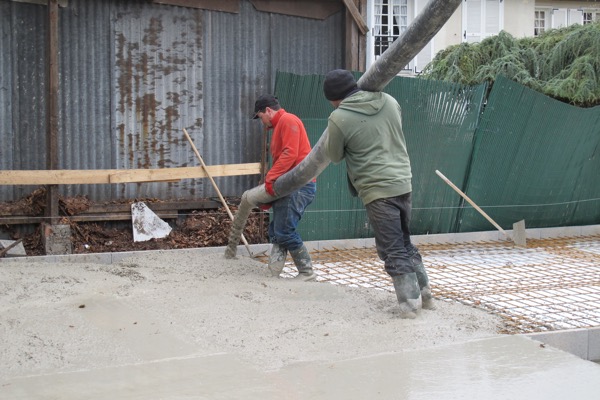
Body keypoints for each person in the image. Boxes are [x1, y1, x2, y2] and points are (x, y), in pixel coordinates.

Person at [322, 69, 434, 318]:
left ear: (333, 98)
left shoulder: (339, 117)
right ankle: (425, 294)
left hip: (376, 189)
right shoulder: (390, 101)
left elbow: (335, 156)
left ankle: (409, 306)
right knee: (404, 242)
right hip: (403, 182)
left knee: (391, 248)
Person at [253, 94, 317, 281]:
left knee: (285, 231)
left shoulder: (288, 120)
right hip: (290, 186)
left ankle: (307, 272)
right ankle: (274, 272)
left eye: (260, 116)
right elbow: (284, 159)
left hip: (298, 186)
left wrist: (270, 179)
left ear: (268, 111)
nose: (261, 121)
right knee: (278, 230)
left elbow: (290, 154)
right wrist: (270, 183)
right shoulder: (281, 125)